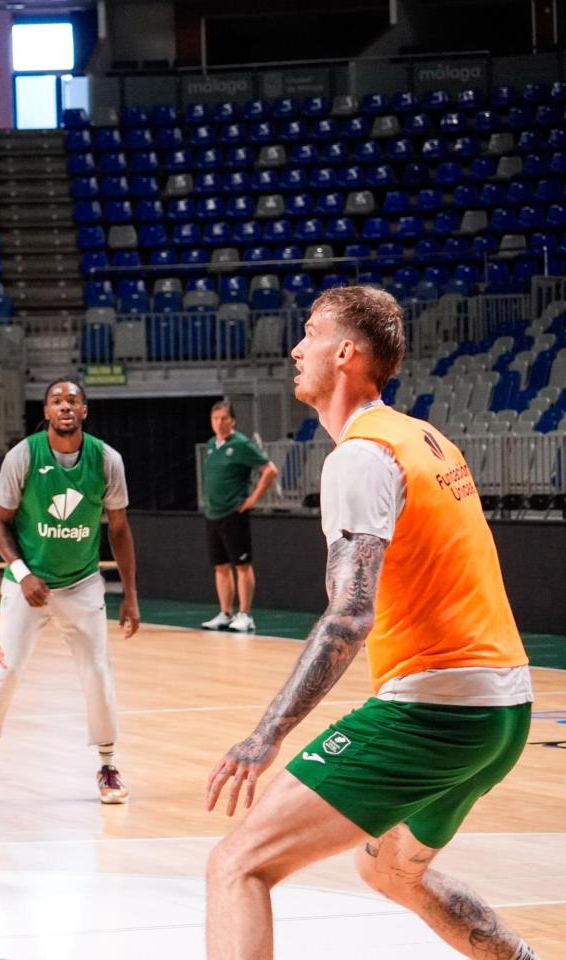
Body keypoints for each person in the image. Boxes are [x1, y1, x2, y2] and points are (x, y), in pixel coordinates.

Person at [205, 286, 536, 960]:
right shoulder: (425, 437)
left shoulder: (360, 454)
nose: (296, 349)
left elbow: (352, 615)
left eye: (310, 333)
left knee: (236, 864)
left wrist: (265, 735)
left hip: (435, 712)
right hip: (504, 710)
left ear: (347, 352)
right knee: (387, 868)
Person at [0, 378, 140, 806]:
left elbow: (121, 530)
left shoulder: (107, 460)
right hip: (27, 584)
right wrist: (21, 572)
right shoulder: (24, 455)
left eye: (73, 399)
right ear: (47, 411)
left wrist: (129, 594)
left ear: (84, 411)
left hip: (82, 583)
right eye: (57, 400)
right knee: (8, 669)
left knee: (97, 674)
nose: (66, 405)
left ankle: (108, 766)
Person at [200, 399, 279, 633]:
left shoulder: (242, 444)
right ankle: (225, 613)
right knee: (220, 566)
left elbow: (270, 470)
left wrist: (253, 499)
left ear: (232, 420)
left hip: (234, 513)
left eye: (224, 418)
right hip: (213, 513)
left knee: (241, 565)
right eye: (215, 418)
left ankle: (245, 614)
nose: (219, 423)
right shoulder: (212, 444)